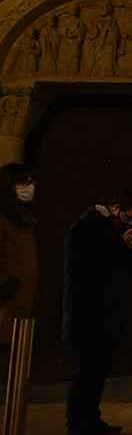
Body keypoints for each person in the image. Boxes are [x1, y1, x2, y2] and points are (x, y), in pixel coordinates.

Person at [63, 190, 132, 435]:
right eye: (128, 218)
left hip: (107, 316)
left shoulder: (112, 232)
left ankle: (92, 419)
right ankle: (77, 424)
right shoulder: (85, 228)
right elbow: (91, 267)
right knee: (84, 373)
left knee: (98, 373)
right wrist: (120, 246)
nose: (130, 224)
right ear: (116, 208)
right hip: (86, 315)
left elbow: (127, 270)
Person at [0, 164, 38, 393]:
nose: (30, 188)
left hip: (21, 304)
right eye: (24, 182)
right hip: (6, 301)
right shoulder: (2, 219)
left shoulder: (24, 219)